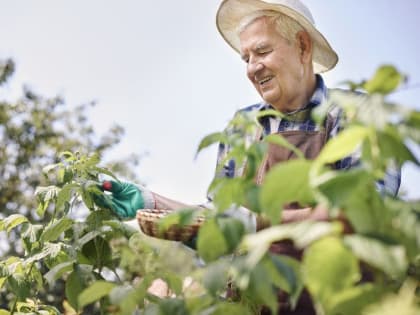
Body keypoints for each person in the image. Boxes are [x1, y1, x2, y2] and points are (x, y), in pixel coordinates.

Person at [95, 0, 400, 313]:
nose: (253, 68)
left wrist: (257, 223)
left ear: (302, 46)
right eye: (246, 58)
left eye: (263, 51)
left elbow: (365, 214)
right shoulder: (243, 126)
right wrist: (152, 202)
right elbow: (221, 221)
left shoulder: (353, 115)